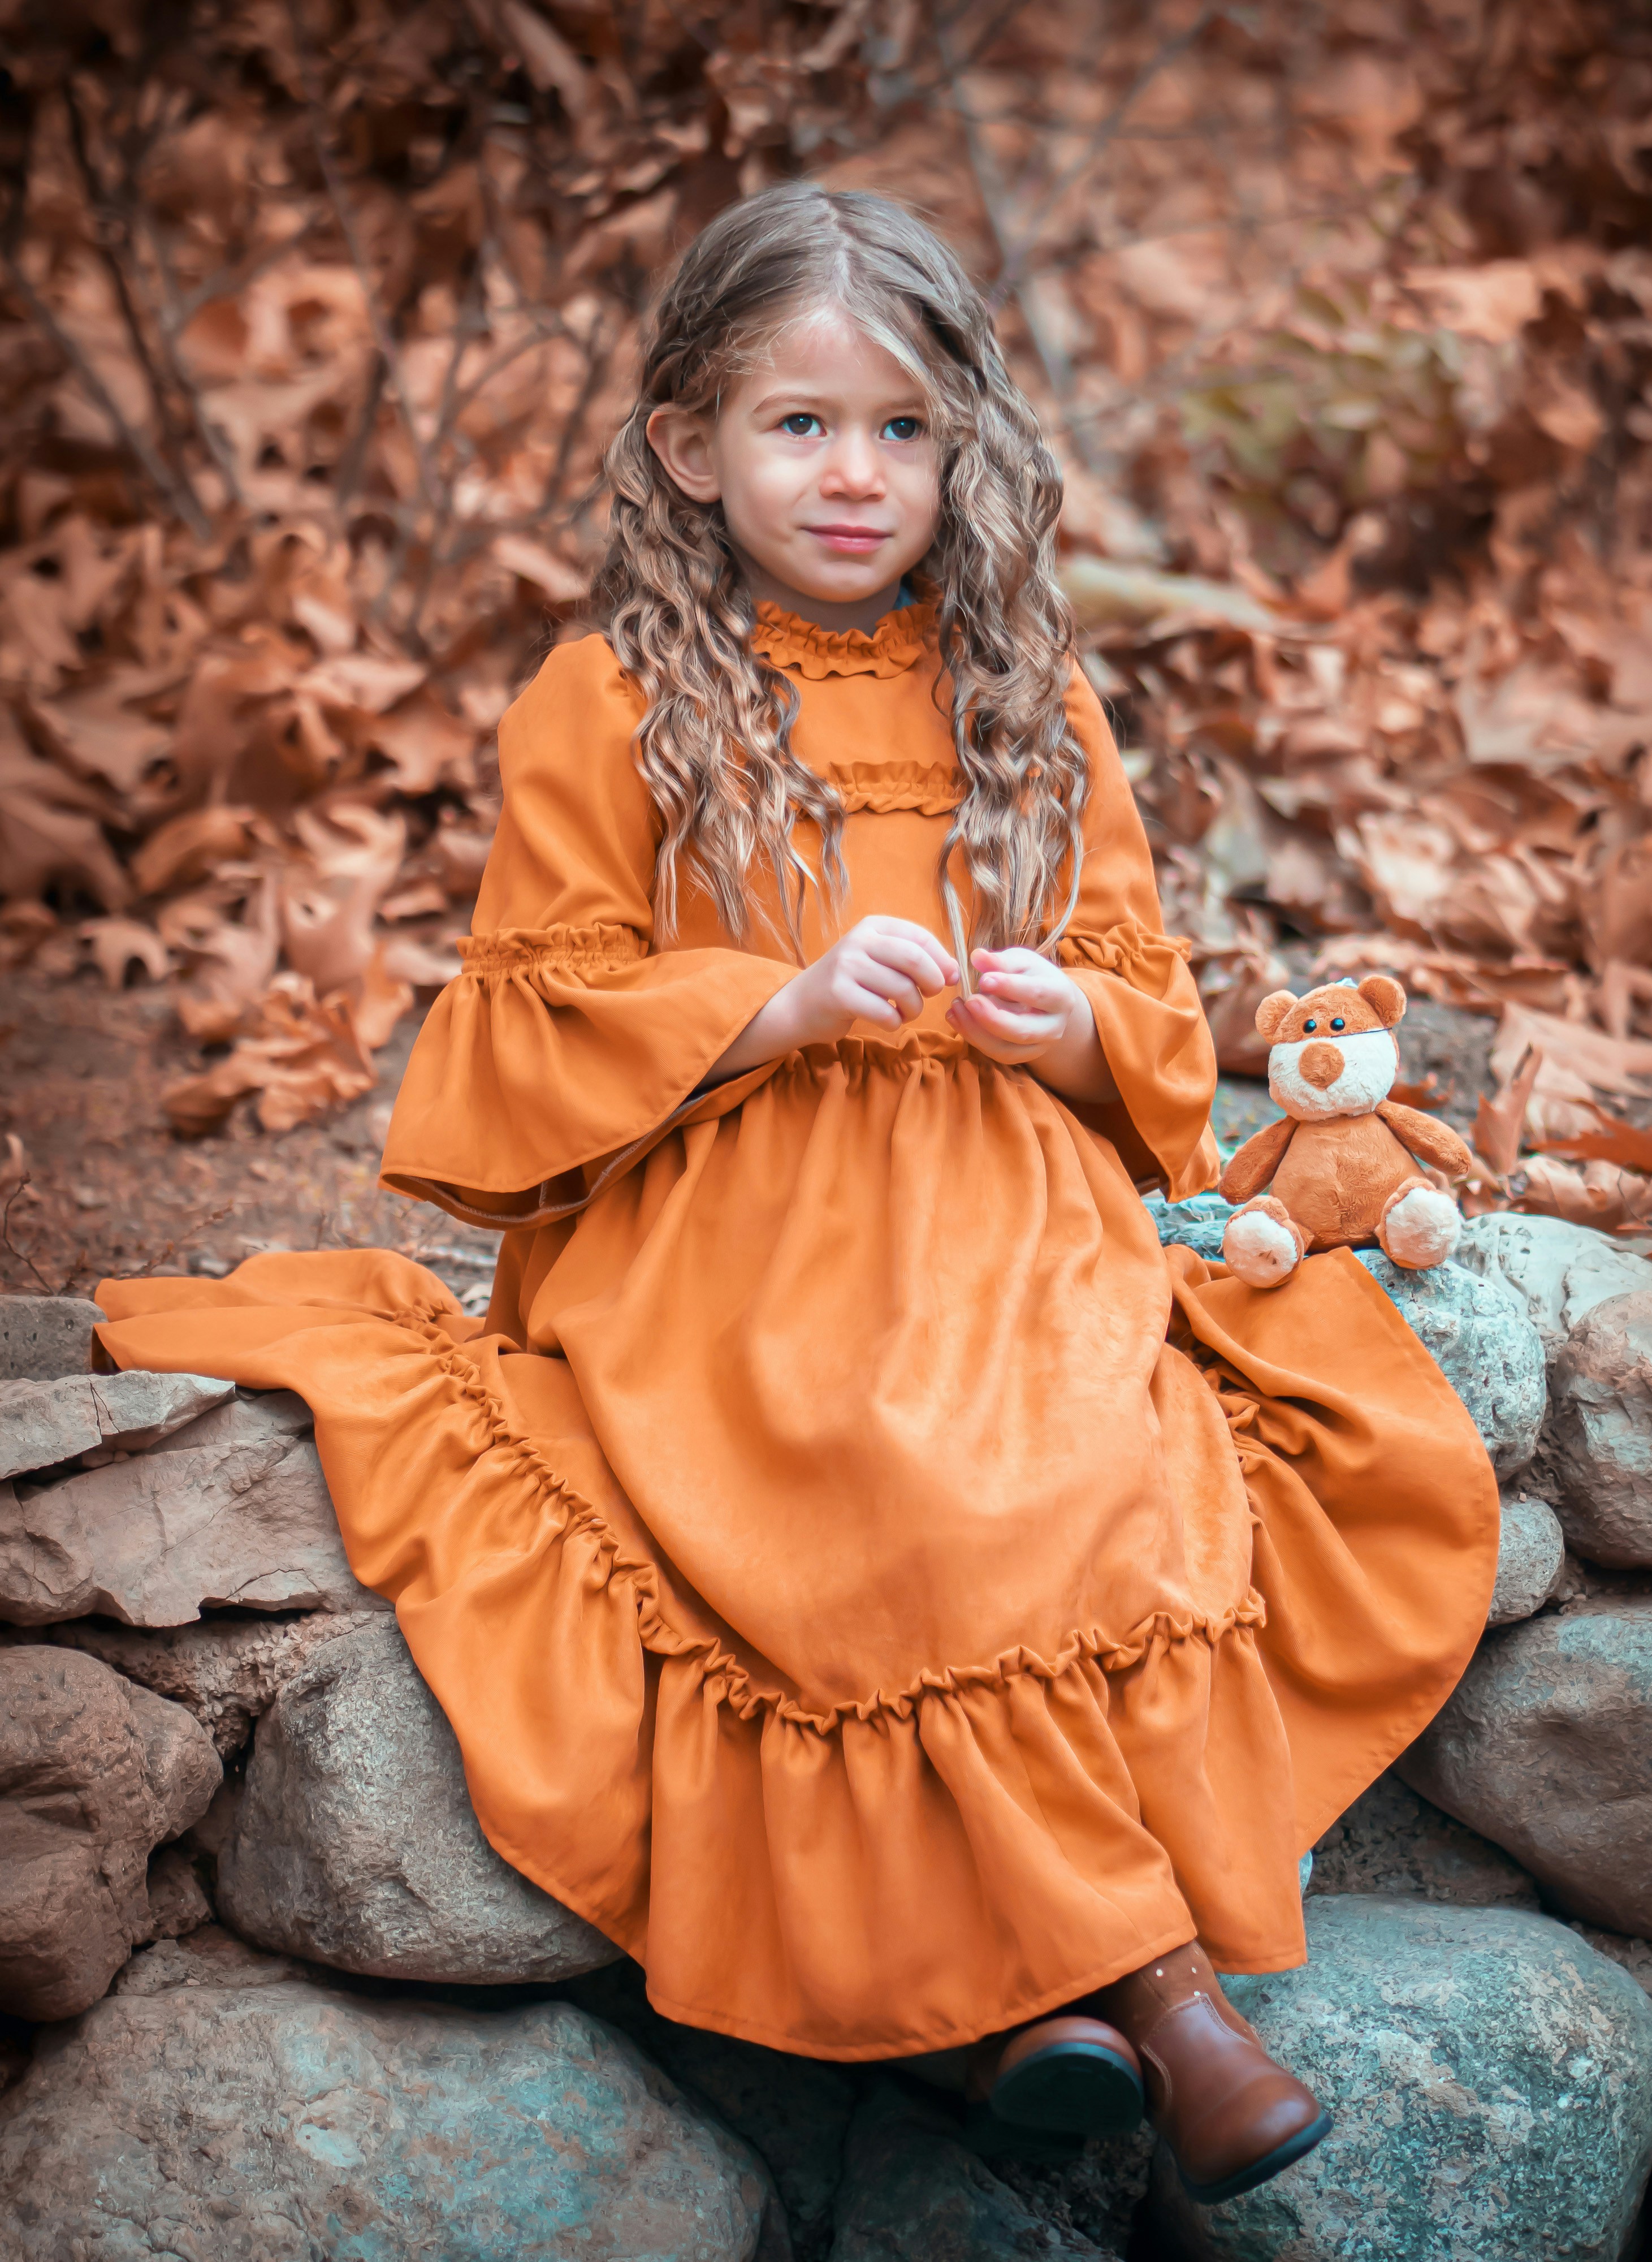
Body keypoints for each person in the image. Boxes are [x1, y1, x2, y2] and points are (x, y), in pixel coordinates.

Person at [96, 182, 1497, 2207]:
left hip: (1002, 1194)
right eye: (800, 424)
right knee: (863, 1467)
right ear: (689, 444)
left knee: (1088, 1451)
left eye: (904, 429)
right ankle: (1170, 2000)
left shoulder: (1030, 694)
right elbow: (534, 1018)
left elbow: (1157, 1020)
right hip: (723, 1214)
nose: (858, 475)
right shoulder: (613, 701)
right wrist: (773, 1001)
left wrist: (1059, 1025)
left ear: (964, 447)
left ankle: (1045, 2015)